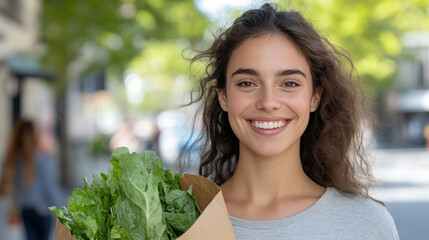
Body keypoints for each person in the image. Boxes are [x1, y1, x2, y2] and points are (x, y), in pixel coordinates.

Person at [183, 3, 399, 239]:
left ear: (315, 96)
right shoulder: (181, 218)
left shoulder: (366, 224)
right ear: (223, 96)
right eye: (247, 83)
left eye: (289, 84)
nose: (268, 102)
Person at [0, 118, 63, 240]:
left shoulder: (11, 161)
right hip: (41, 211)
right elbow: (50, 190)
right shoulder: (42, 161)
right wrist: (63, 212)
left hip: (26, 211)